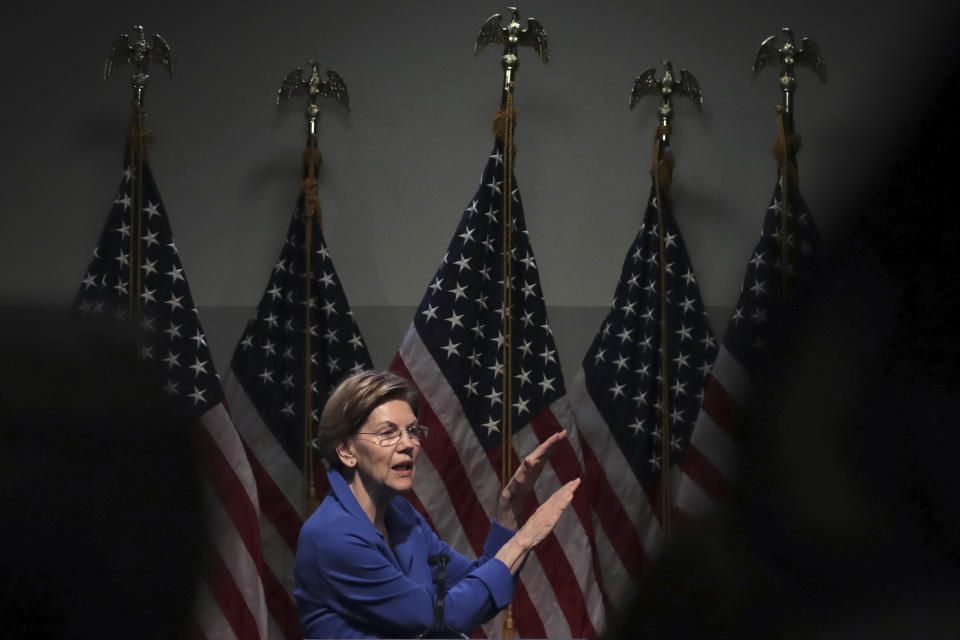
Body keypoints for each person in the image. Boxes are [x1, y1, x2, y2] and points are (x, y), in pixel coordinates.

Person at [294, 370, 580, 638]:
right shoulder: (331, 537)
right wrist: (524, 540)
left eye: (413, 431)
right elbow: (439, 617)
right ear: (346, 450)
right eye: (388, 433)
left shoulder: (401, 515)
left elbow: (473, 586)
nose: (407, 444)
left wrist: (509, 509)